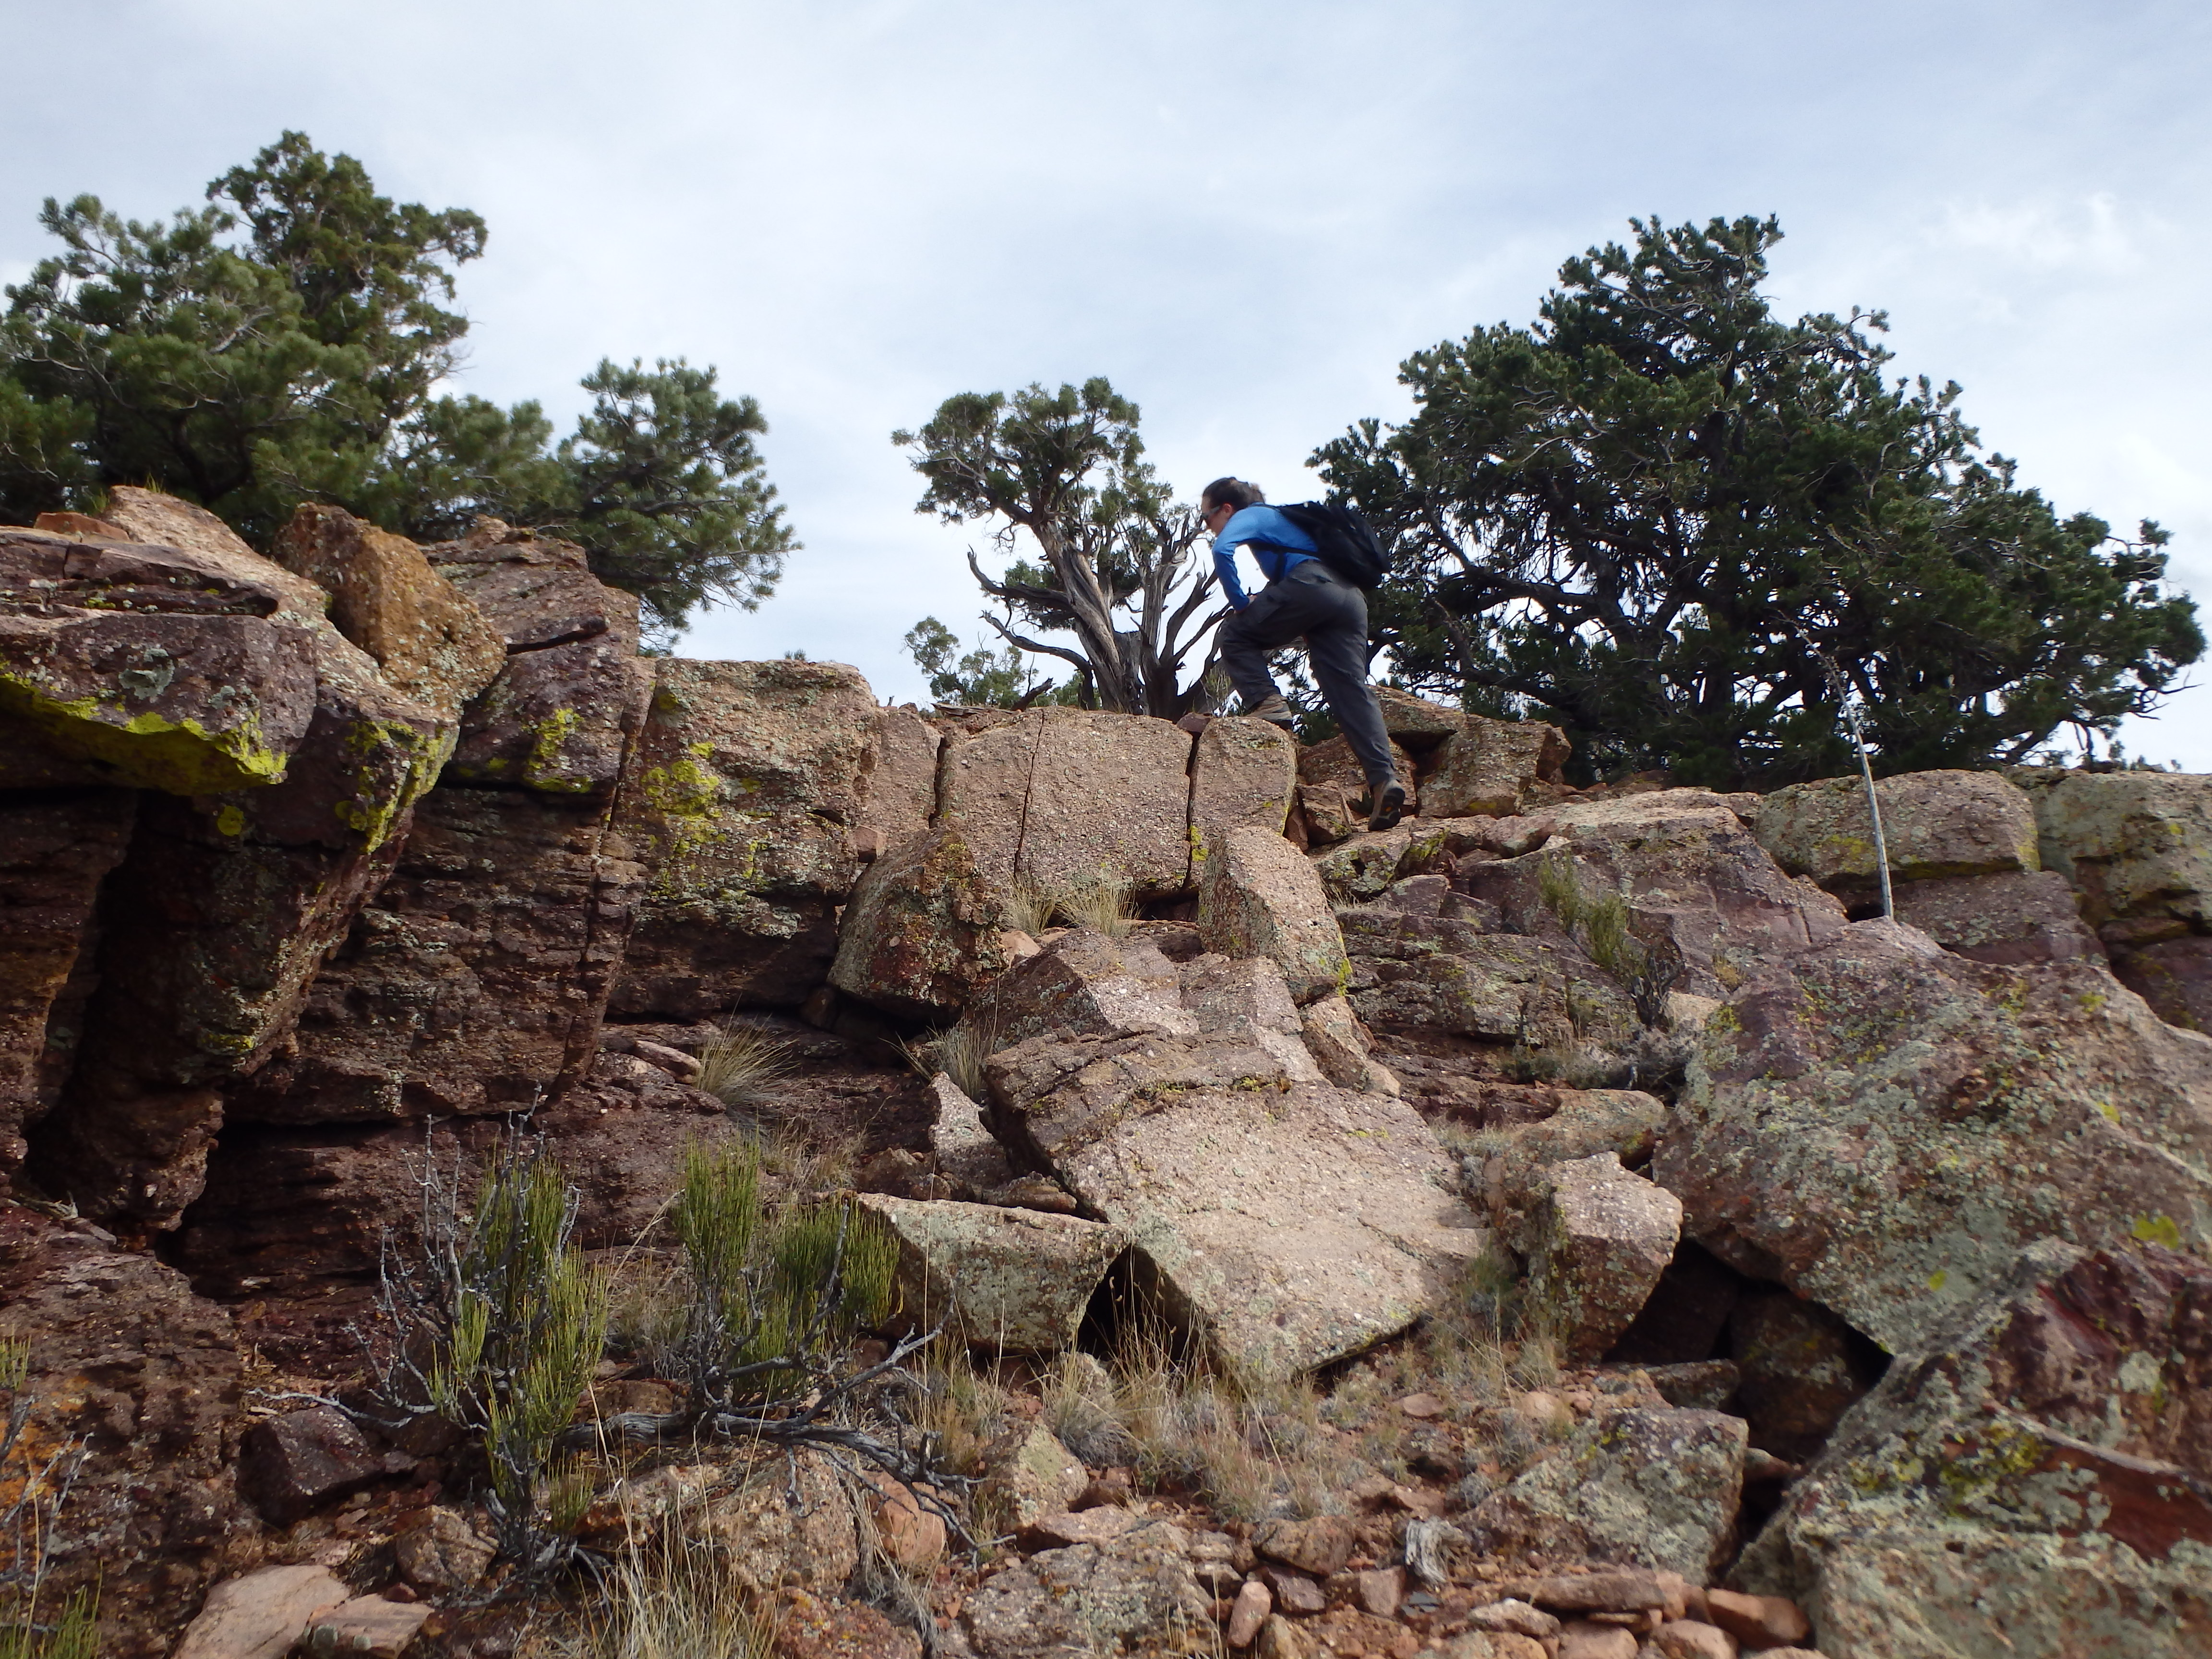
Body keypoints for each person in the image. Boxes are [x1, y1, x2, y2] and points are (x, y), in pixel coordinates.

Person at [1201, 476, 1405, 832]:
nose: (1209, 526)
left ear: (1227, 509)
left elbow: (1222, 551)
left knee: (1235, 634)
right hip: (1350, 599)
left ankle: (1269, 704)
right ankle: (1384, 781)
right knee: (1348, 689)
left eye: (1207, 518)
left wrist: (1239, 604)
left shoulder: (1253, 515)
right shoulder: (1287, 528)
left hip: (1313, 586)